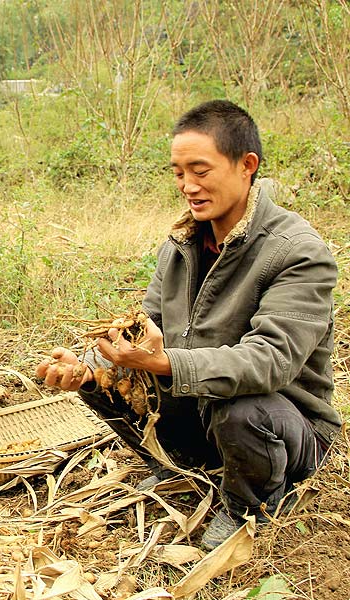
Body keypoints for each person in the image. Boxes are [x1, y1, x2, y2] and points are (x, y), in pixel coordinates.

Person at [36, 100, 342, 550]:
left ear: (246, 166)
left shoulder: (298, 252)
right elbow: (148, 329)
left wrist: (163, 362)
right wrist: (88, 366)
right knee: (108, 376)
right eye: (179, 173)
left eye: (200, 170)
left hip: (285, 426)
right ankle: (175, 463)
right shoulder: (181, 245)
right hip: (203, 409)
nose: (188, 186)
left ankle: (250, 506)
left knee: (238, 402)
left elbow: (270, 363)